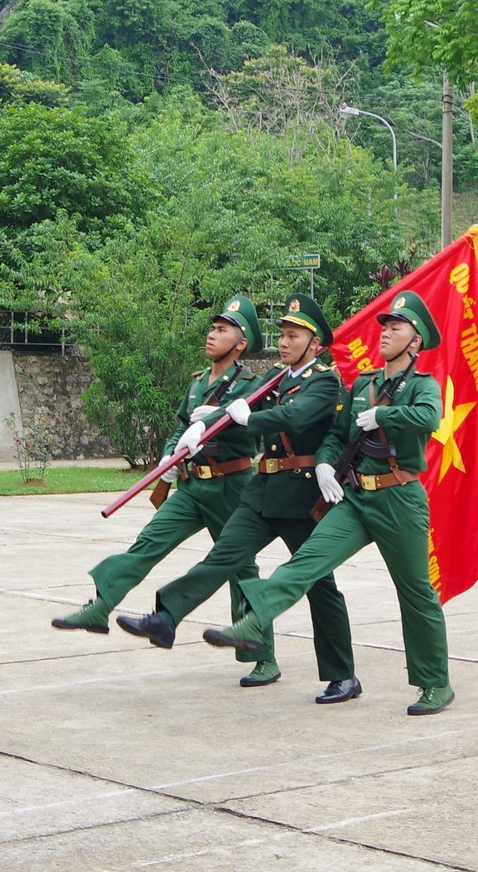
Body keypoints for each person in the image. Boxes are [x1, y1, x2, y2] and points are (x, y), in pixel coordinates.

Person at [206, 290, 454, 715]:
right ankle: (253, 621)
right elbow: (338, 435)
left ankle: (435, 683)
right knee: (307, 563)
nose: (386, 334)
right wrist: (324, 464)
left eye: (397, 328)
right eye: (385, 327)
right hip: (357, 498)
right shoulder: (363, 385)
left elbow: (429, 419)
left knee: (414, 592)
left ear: (416, 341)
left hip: (400, 497)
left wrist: (385, 416)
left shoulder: (421, 386)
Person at [121, 293, 360, 701]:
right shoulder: (276, 379)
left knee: (319, 584)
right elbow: (237, 410)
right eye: (282, 334)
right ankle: (166, 617)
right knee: (223, 556)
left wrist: (248, 417)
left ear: (314, 343)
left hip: (304, 494)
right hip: (263, 490)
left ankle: (343, 675)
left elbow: (295, 416)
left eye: (293, 335)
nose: (284, 342)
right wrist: (206, 423)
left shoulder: (323, 380)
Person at [52, 296, 271, 681]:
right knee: (148, 542)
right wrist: (168, 461)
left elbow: (251, 427)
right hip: (191, 485)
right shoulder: (197, 382)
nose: (211, 334)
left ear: (240, 343)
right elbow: (179, 428)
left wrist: (220, 418)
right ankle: (101, 607)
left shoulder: (252, 385)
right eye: (212, 327)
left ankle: (263, 655)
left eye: (222, 330)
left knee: (240, 566)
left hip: (232, 485)